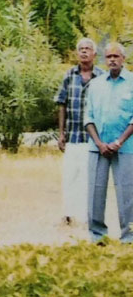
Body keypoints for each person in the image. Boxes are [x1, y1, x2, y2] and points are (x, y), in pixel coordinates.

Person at [82, 42, 133, 243]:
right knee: (95, 192)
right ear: (104, 59)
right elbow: (88, 117)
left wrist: (119, 141)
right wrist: (99, 143)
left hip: (126, 147)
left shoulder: (131, 82)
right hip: (98, 148)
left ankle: (129, 236)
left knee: (127, 192)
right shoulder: (96, 84)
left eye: (116, 56)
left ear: (123, 59)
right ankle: (97, 236)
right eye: (109, 56)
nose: (112, 60)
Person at [56, 38, 101, 226]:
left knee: (87, 178)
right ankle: (68, 214)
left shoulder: (102, 77)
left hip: (93, 138)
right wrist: (61, 133)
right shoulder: (69, 75)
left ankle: (85, 216)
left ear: (94, 54)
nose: (84, 52)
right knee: (69, 176)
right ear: (77, 53)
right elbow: (61, 103)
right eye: (81, 49)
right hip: (73, 136)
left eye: (88, 49)